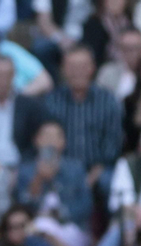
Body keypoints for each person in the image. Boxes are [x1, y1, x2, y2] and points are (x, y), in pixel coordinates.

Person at [41, 46, 125, 198]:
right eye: (72, 67)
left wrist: (91, 177)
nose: (77, 72)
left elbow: (112, 144)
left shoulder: (108, 100)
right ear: (63, 69)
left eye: (82, 67)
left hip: (99, 168)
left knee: (109, 182)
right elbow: (47, 141)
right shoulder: (51, 101)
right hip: (62, 167)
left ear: (92, 69)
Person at [15, 119, 94, 246]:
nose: (50, 141)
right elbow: (21, 206)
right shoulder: (26, 170)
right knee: (38, 229)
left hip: (69, 225)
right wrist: (38, 178)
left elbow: (86, 204)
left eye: (55, 136)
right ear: (37, 140)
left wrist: (60, 214)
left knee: (67, 235)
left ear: (63, 142)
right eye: (46, 136)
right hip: (36, 226)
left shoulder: (75, 168)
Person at [0, 203, 66, 246]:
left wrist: (31, 239)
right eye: (13, 227)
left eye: (22, 226)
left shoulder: (40, 243)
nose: (18, 231)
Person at [97, 26, 141, 100]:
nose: (132, 54)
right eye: (127, 49)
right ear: (119, 49)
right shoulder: (107, 73)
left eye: (136, 48)